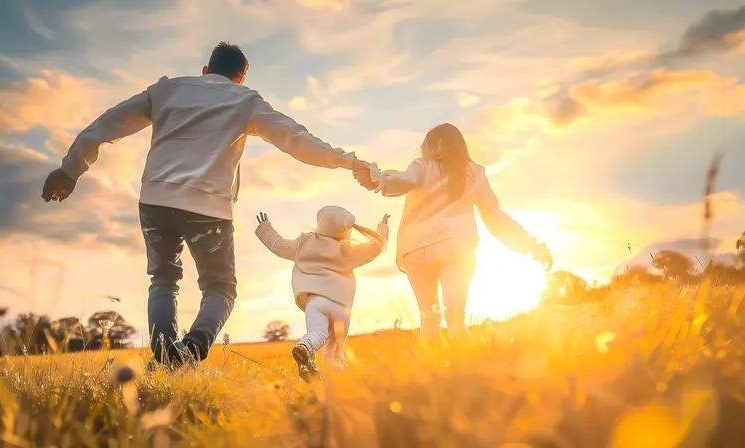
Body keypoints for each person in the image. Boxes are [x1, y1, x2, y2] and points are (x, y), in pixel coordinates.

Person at [41, 42, 377, 366]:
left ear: (205, 70)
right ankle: (190, 350)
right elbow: (297, 139)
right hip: (209, 208)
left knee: (163, 279)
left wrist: (70, 170)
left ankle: (166, 357)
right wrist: (349, 162)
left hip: (156, 200)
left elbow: (109, 122)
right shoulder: (245, 100)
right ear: (240, 78)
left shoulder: (166, 90)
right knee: (220, 288)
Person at [357, 123, 552, 341]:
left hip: (417, 250)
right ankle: (460, 360)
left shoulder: (422, 166)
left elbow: (405, 180)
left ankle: (433, 362)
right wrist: (530, 245)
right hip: (457, 247)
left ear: (435, 145)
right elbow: (495, 217)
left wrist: (380, 180)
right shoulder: (475, 173)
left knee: (429, 318)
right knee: (455, 316)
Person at [254, 207, 388, 381]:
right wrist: (382, 228)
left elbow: (278, 245)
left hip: (315, 303)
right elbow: (375, 248)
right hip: (341, 308)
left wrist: (265, 228)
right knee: (335, 348)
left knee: (317, 334)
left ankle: (305, 346)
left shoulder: (304, 243)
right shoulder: (347, 251)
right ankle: (333, 383)